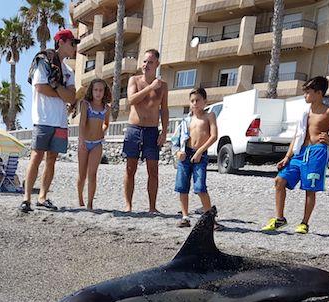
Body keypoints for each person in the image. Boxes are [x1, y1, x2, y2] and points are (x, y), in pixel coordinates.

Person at [262, 76, 329, 234]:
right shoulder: (305, 112)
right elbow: (297, 135)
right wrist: (287, 156)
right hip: (300, 151)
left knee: (309, 188)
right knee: (280, 180)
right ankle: (279, 219)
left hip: (317, 152)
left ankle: (304, 223)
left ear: (319, 93)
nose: (305, 96)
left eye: (308, 92)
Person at [20, 29, 78, 213]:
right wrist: (61, 92)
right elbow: (40, 87)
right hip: (43, 119)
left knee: (52, 159)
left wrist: (57, 87)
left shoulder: (68, 71)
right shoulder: (43, 62)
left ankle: (42, 197)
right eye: (72, 43)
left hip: (61, 121)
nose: (74, 47)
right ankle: (26, 198)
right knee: (36, 157)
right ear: (60, 42)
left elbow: (72, 97)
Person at [122, 49, 169, 213]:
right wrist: (150, 88)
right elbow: (132, 100)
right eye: (144, 61)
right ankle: (128, 205)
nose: (146, 65)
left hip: (151, 131)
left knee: (153, 170)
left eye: (150, 62)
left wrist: (164, 132)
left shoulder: (163, 86)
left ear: (157, 64)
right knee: (130, 169)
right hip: (134, 129)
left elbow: (164, 110)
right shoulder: (134, 80)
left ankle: (152, 207)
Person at [170, 87, 222, 229]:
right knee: (182, 187)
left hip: (200, 154)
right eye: (192, 101)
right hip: (185, 154)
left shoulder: (209, 116)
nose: (194, 103)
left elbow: (214, 136)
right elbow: (176, 139)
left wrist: (200, 151)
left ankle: (210, 218)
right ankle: (185, 217)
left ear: (204, 101)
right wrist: (178, 152)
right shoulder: (186, 120)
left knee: (200, 187)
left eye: (198, 100)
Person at [77, 78, 111, 210]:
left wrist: (102, 130)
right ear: (92, 90)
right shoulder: (86, 104)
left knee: (93, 173)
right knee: (82, 174)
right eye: (96, 90)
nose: (98, 93)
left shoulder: (106, 108)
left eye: (101, 90)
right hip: (84, 142)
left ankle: (90, 202)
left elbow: (106, 123)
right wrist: (81, 140)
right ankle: (80, 199)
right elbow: (82, 123)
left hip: (97, 143)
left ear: (104, 92)